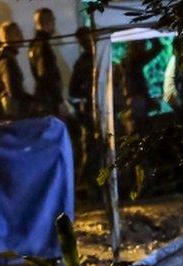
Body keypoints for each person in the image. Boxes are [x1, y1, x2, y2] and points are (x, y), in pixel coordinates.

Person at [69, 26, 98, 199]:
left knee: (96, 150)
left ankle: (90, 188)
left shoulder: (95, 57)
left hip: (100, 109)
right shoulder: (83, 62)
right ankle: (81, 188)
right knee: (90, 151)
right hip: (89, 112)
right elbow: (73, 91)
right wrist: (86, 98)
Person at [29, 8, 65, 117]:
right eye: (53, 20)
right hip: (48, 100)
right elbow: (46, 74)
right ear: (47, 21)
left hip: (43, 98)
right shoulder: (43, 46)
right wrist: (59, 100)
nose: (54, 24)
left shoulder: (33, 44)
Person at [0, 21, 32, 119]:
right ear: (7, 37)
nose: (21, 37)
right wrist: (30, 99)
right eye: (17, 34)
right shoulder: (6, 60)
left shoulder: (8, 57)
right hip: (15, 109)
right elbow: (13, 88)